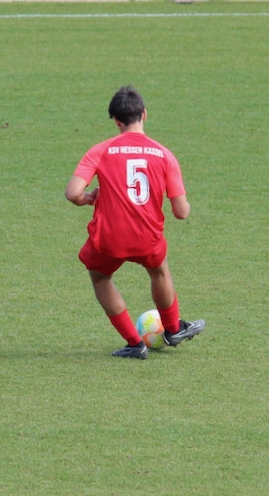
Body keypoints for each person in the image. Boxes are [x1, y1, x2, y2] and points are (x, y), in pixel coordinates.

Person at [65, 85, 204, 359]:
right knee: (159, 271)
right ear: (144, 114)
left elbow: (72, 193)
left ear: (116, 121)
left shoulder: (101, 151)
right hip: (147, 237)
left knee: (101, 278)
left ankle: (134, 343)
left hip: (108, 238)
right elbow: (181, 212)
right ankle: (174, 329)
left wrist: (88, 198)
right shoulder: (164, 155)